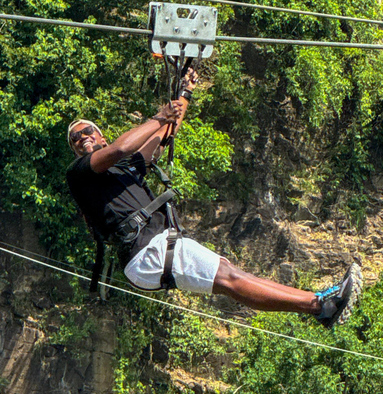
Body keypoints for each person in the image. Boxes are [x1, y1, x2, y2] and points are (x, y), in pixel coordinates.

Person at [65, 69, 361, 328]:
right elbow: (121, 148)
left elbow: (162, 135)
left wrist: (185, 92)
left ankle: (321, 303)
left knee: (231, 274)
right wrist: (158, 117)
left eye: (87, 131)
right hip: (144, 251)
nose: (81, 138)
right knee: (229, 278)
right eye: (75, 139)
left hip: (153, 248)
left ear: (100, 136)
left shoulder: (126, 169)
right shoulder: (80, 172)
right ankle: (321, 305)